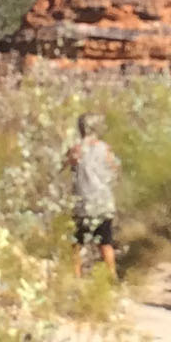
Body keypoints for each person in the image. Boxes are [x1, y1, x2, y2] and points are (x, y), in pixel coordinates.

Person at [66, 113, 120, 280]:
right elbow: (114, 169)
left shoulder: (75, 150)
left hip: (82, 202)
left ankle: (76, 277)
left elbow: (68, 166)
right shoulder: (105, 148)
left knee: (77, 243)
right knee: (105, 242)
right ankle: (112, 277)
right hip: (102, 201)